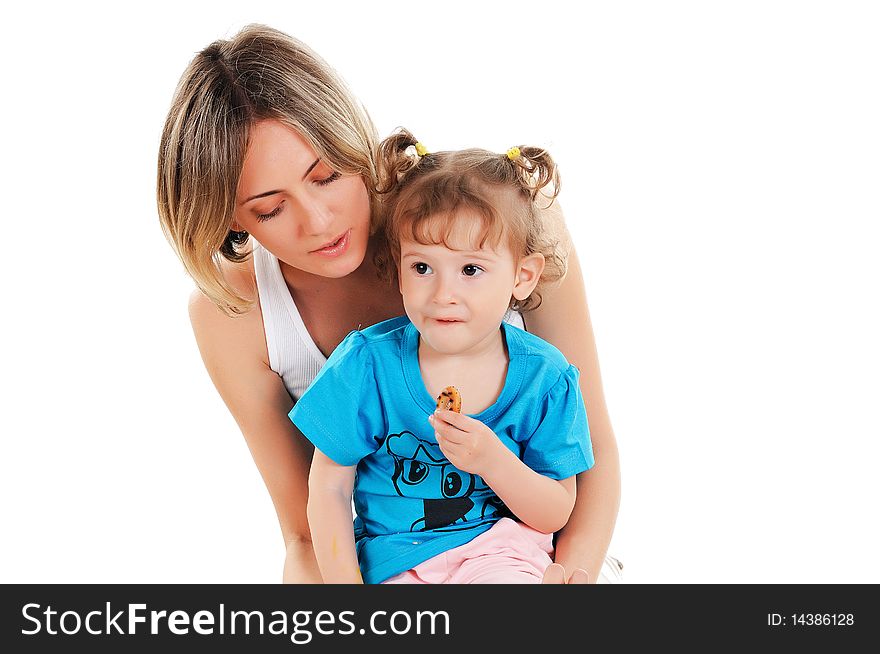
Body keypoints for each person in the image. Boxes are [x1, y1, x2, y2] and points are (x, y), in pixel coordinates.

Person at [156, 24, 621, 584]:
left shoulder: (505, 223)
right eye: (271, 209)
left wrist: (567, 583)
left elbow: (589, 462)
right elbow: (306, 532)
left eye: (326, 176)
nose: (319, 222)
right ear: (230, 218)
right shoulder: (230, 313)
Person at [291, 132, 594, 583]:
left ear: (523, 276)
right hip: (393, 561)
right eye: (422, 267)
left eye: (470, 270)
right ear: (398, 269)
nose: (443, 294)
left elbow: (555, 511)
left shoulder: (545, 379)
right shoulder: (366, 365)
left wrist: (493, 460)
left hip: (499, 553)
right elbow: (329, 488)